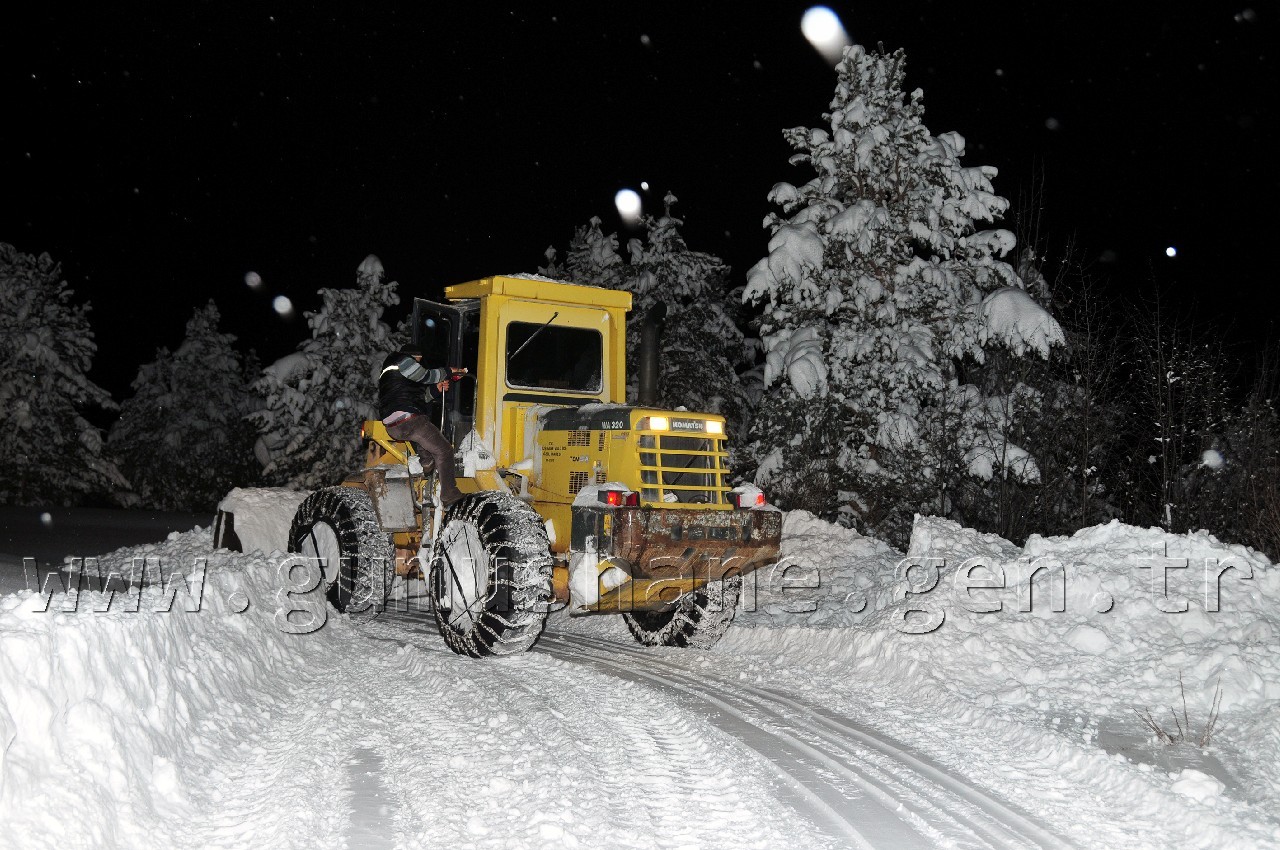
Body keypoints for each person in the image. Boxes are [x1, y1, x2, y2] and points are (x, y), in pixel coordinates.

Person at [377, 344, 467, 507]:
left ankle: (427, 462)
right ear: (415, 357)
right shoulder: (403, 361)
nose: (419, 363)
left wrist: (436, 389)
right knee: (444, 450)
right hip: (408, 419)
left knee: (421, 436)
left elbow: (419, 398)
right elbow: (425, 375)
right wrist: (448, 371)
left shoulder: (394, 373)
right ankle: (449, 494)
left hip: (393, 424)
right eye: (418, 361)